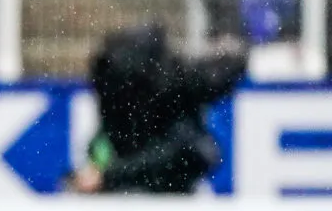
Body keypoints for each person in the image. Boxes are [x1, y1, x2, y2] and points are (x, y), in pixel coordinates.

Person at [68, 25, 248, 194]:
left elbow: (187, 154)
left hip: (167, 193)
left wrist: (109, 175)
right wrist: (99, 170)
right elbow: (104, 140)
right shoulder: (120, 91)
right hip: (138, 190)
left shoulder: (172, 91)